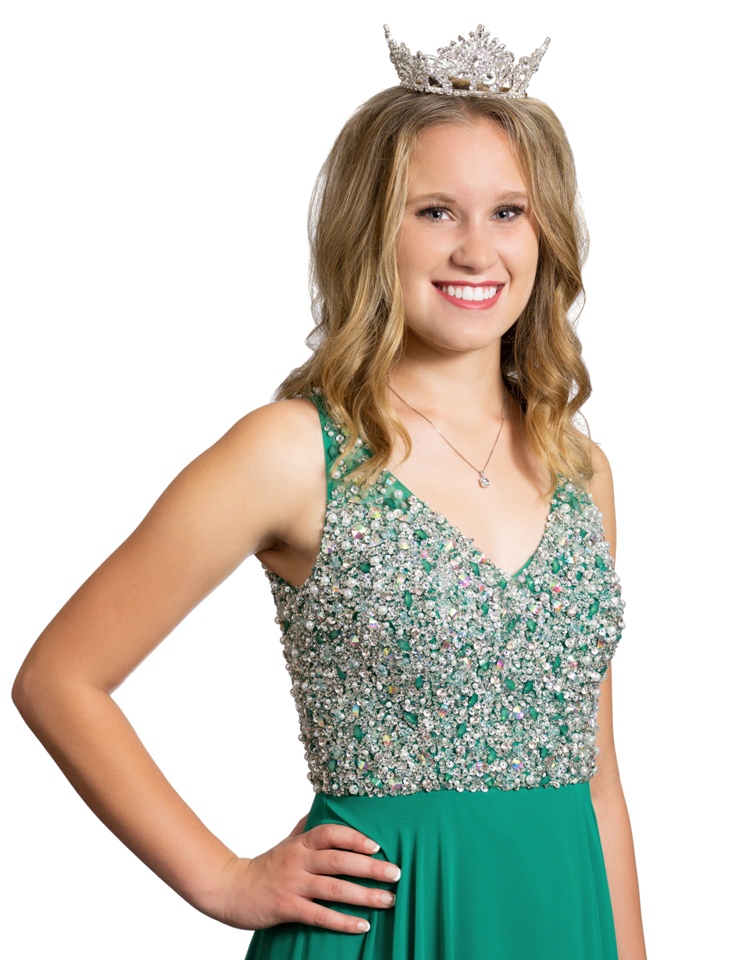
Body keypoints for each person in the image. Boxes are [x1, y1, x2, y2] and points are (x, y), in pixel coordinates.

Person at [13, 23, 646, 960]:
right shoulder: (293, 452)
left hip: (562, 921)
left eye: (508, 212)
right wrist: (223, 878)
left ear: (545, 232)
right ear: (370, 229)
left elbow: (598, 781)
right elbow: (59, 679)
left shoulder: (579, 471)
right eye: (436, 211)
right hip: (382, 930)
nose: (477, 250)